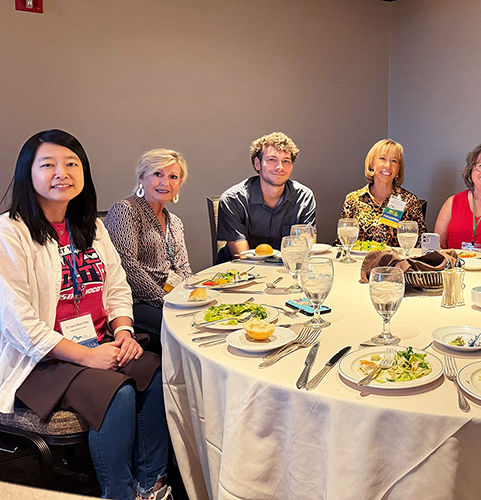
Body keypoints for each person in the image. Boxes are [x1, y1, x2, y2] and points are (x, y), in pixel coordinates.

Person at [0, 130, 171, 499]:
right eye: (48, 164)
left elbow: (117, 288)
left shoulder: (92, 227)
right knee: (118, 392)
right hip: (43, 359)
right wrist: (86, 356)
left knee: (155, 372)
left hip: (100, 342)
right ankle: (119, 492)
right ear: (27, 173)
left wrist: (123, 330)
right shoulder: (9, 233)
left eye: (71, 163)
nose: (62, 172)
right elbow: (18, 322)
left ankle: (151, 486)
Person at [104, 149, 193, 354]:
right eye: (157, 174)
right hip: (134, 303)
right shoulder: (125, 210)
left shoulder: (175, 222)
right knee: (184, 331)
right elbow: (128, 267)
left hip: (169, 300)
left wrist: (192, 299)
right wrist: (168, 302)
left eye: (173, 177)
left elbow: (184, 268)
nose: (165, 183)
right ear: (141, 178)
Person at [216, 132, 316, 263]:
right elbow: (243, 257)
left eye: (286, 161)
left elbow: (306, 250)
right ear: (257, 164)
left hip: (287, 271)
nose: (279, 167)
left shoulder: (304, 197)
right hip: (240, 275)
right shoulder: (233, 200)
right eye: (271, 160)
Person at [340, 139, 427, 246]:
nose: (388, 165)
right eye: (383, 158)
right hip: (361, 261)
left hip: (396, 262)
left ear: (398, 169)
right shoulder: (353, 199)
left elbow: (421, 244)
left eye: (394, 161)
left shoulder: (409, 200)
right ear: (371, 164)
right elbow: (341, 243)